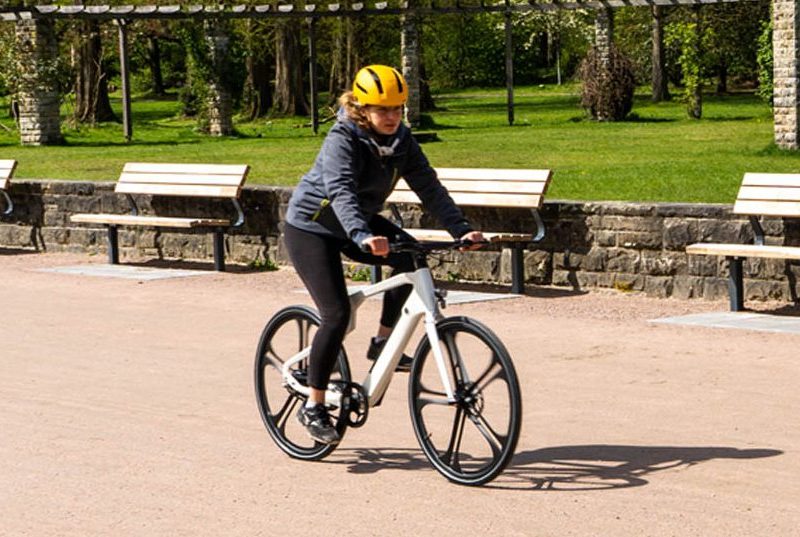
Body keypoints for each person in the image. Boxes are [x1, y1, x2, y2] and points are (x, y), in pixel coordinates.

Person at [283, 64, 484, 444]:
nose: (391, 117)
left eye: (397, 109)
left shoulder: (402, 140)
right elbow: (340, 189)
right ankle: (313, 404)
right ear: (361, 109)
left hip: (358, 222)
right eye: (382, 110)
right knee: (337, 314)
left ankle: (382, 342)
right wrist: (361, 234)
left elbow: (429, 187)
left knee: (410, 258)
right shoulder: (342, 139)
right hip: (313, 227)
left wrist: (460, 229)